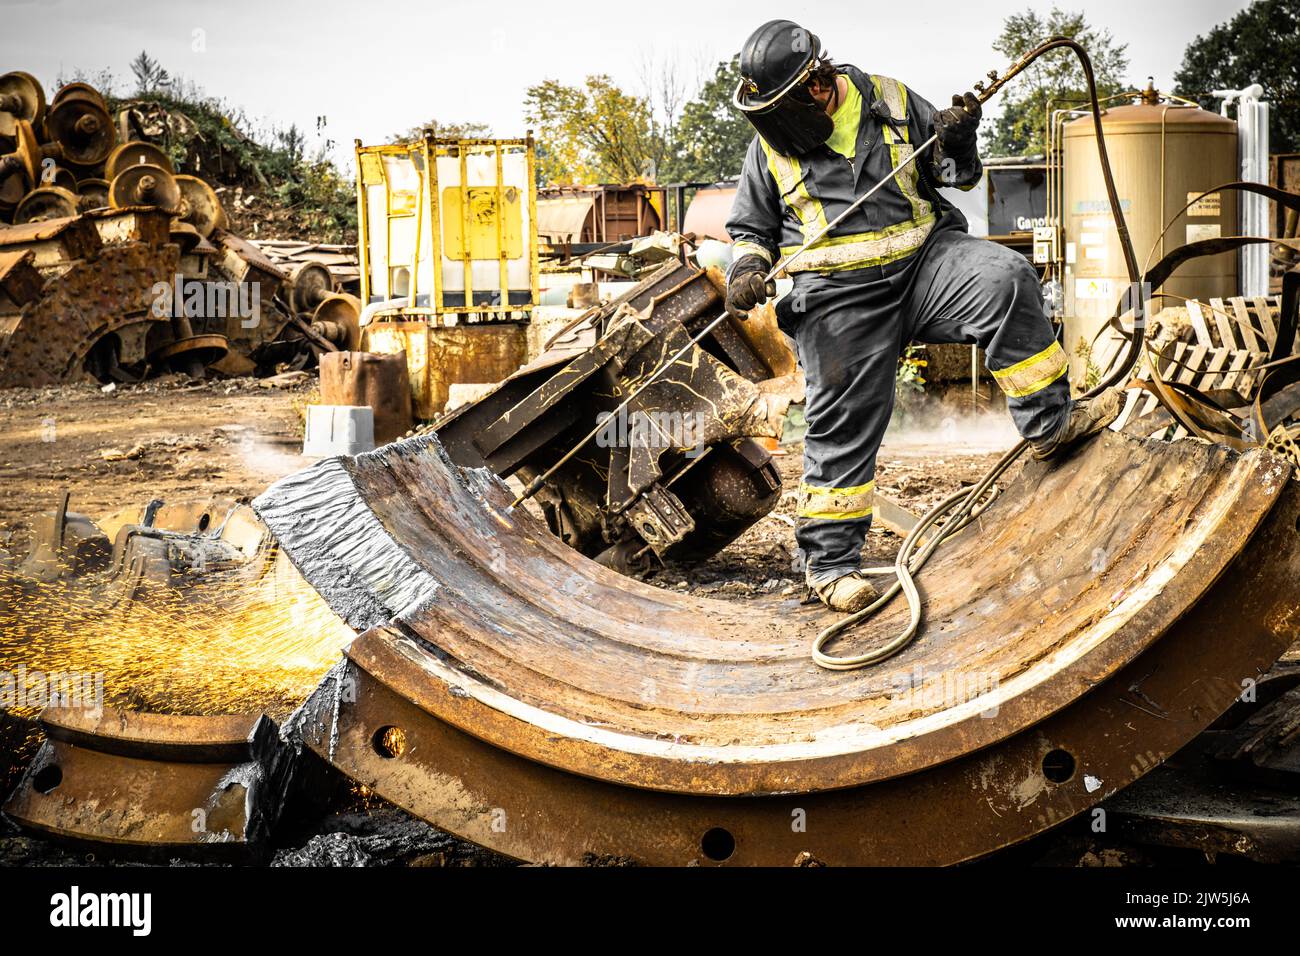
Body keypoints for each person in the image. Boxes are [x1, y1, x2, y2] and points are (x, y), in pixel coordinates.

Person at [725, 19, 1121, 613]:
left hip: (926, 265)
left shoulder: (890, 102)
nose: (775, 123)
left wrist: (959, 142)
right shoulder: (769, 149)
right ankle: (830, 566)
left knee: (1005, 278)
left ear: (816, 84)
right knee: (843, 421)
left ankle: (1049, 424)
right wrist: (746, 270)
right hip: (839, 298)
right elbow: (750, 230)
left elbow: (954, 175)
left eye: (782, 107)